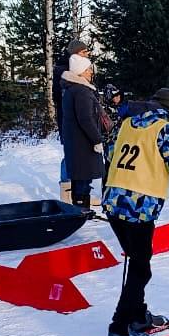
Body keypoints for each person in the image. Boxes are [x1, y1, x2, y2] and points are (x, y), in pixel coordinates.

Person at [101, 88, 169, 336]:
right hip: (140, 206)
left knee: (137, 261)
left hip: (114, 201)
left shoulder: (126, 124)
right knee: (140, 268)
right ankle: (119, 328)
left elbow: (111, 155)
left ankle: (137, 316)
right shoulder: (164, 128)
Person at [59, 49, 105, 211]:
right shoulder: (81, 91)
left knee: (80, 178)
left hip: (77, 142)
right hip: (82, 143)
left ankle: (80, 208)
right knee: (82, 180)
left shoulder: (73, 89)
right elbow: (86, 119)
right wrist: (97, 139)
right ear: (79, 72)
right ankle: (81, 210)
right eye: (88, 69)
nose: (91, 72)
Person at [53, 39, 89, 204]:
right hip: (68, 119)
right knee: (70, 154)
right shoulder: (63, 71)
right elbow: (61, 97)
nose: (86, 54)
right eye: (83, 52)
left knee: (80, 154)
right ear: (74, 53)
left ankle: (80, 190)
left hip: (77, 117)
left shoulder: (81, 68)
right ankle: (66, 189)